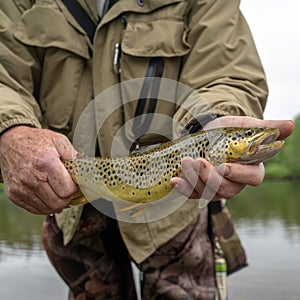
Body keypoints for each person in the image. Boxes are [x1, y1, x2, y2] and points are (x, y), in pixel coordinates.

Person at [0, 1, 294, 299]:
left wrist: (213, 118)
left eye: (248, 136)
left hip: (177, 213)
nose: (254, 138)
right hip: (72, 209)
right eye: (249, 135)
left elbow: (229, 71)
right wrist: (10, 131)